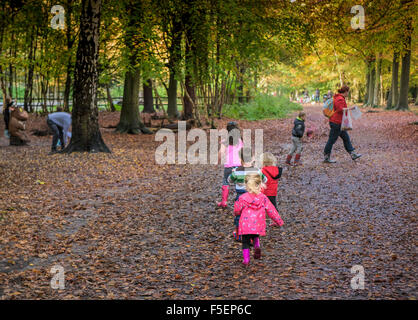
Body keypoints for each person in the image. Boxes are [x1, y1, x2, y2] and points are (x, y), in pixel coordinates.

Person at [234, 174, 284, 265]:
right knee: (255, 234)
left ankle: (246, 260)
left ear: (246, 185)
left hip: (245, 224)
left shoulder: (242, 198)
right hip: (258, 223)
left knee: (245, 242)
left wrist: (237, 213)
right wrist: (278, 221)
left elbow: (237, 210)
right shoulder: (263, 198)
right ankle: (256, 245)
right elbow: (271, 210)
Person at [228, 147, 267, 241]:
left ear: (240, 159)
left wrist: (233, 173)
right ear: (253, 158)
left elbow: (229, 180)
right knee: (253, 214)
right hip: (253, 195)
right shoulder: (257, 170)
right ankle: (252, 233)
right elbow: (265, 180)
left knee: (239, 214)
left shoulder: (237, 171)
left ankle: (238, 233)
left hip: (240, 196)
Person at [323, 85, 362, 163]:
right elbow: (340, 110)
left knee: (346, 138)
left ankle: (353, 154)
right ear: (346, 92)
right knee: (331, 140)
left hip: (338, 122)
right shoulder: (340, 99)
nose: (348, 93)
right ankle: (326, 157)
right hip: (336, 123)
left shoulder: (338, 97)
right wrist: (351, 108)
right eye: (348, 92)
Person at [217, 121, 243, 208]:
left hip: (228, 166)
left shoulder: (225, 141)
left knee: (225, 181)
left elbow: (221, 152)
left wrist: (218, 160)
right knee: (239, 183)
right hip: (238, 166)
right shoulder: (240, 141)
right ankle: (239, 201)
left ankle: (224, 201)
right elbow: (242, 153)